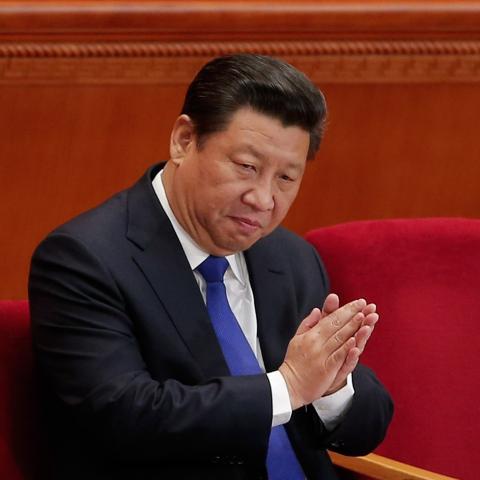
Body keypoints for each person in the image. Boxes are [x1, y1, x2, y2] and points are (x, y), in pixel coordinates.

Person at [29, 54, 393, 480]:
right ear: (184, 140)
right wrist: (289, 386)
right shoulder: (83, 259)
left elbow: (366, 429)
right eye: (246, 167)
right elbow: (125, 417)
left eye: (286, 179)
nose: (263, 198)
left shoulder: (290, 257)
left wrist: (331, 387)